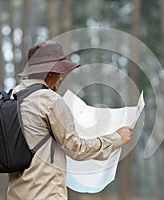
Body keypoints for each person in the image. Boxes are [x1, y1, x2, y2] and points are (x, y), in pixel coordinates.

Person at [7, 40, 133, 200]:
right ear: (50, 72)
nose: (61, 78)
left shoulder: (13, 96)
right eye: (60, 71)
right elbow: (76, 148)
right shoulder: (49, 100)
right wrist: (116, 138)